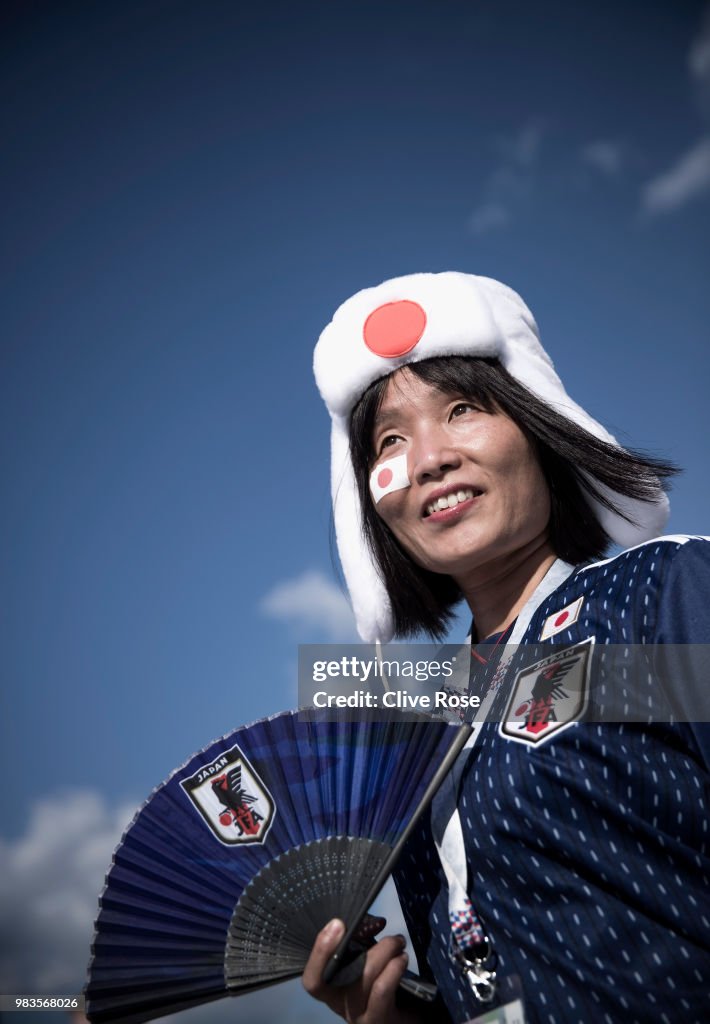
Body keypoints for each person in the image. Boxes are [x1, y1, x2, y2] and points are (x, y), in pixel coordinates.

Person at [302, 272, 710, 1024]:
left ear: (537, 424)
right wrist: (389, 1013)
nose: (428, 459)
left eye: (461, 409)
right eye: (390, 441)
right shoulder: (430, 738)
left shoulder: (666, 593)